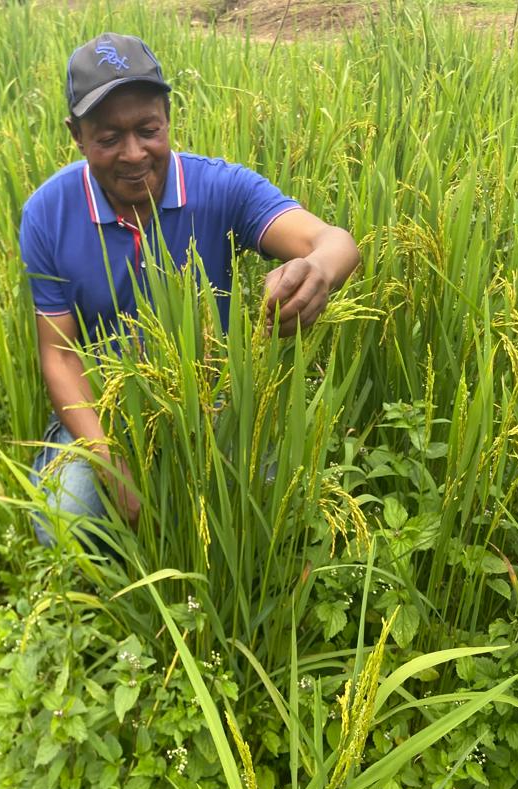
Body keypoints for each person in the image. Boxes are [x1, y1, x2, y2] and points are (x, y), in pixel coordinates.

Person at [19, 32, 359, 548]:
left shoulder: (220, 188)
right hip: (106, 405)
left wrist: (316, 271)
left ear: (168, 117)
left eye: (148, 130)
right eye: (108, 138)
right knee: (65, 521)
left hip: (211, 401)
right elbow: (60, 358)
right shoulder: (48, 213)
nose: (134, 154)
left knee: (272, 519)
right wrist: (111, 465)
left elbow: (333, 240)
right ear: (76, 134)